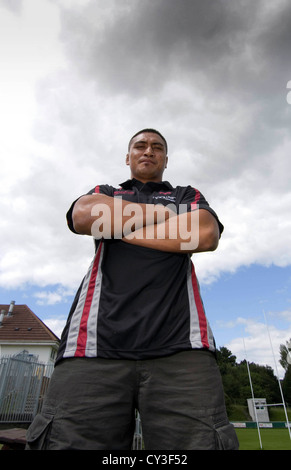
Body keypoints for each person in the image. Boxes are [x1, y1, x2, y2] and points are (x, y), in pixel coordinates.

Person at [26, 128, 239, 450]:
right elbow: (84, 216)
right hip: (93, 347)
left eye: (157, 147)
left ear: (166, 159)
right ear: (128, 157)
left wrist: (119, 229)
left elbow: (204, 234)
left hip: (181, 348)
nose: (148, 151)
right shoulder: (106, 191)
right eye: (140, 146)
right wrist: (166, 218)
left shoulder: (186, 194)